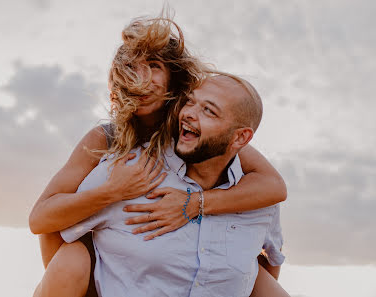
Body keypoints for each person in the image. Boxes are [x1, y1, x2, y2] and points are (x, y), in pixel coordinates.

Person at [29, 16, 288, 297]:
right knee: (72, 257)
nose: (142, 78)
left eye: (154, 66)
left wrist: (194, 204)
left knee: (250, 273)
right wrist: (113, 191)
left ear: (173, 77)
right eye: (131, 67)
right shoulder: (107, 140)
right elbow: (44, 223)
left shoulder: (199, 132)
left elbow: (273, 187)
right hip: (106, 263)